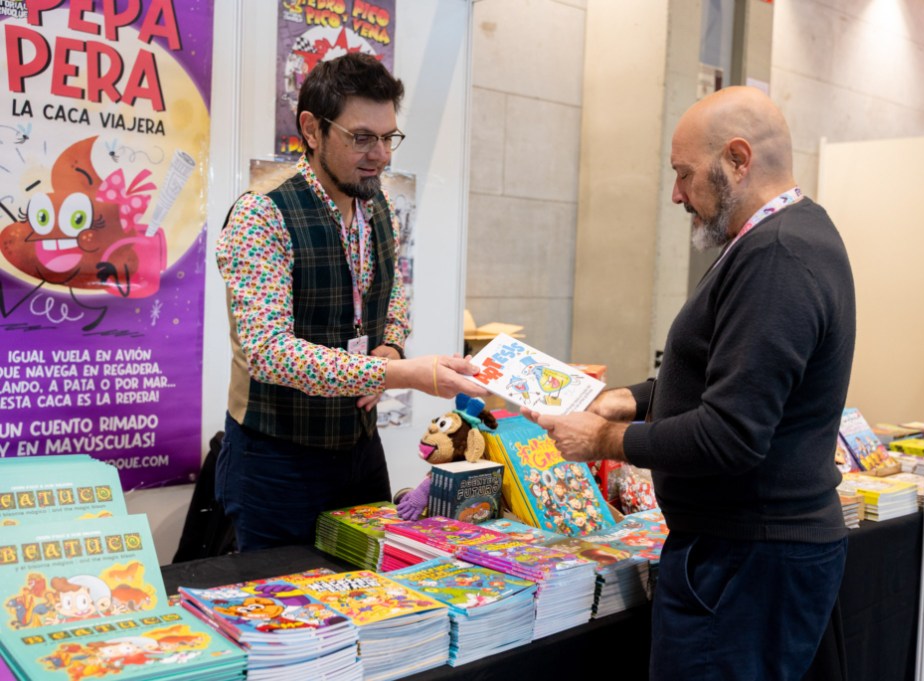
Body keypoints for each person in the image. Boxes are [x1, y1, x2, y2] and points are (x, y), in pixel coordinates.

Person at [523, 86, 856, 680]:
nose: (677, 194)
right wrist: (631, 399)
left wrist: (602, 441)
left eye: (684, 174)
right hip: (748, 553)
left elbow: (731, 434)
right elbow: (729, 377)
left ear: (737, 159)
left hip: (745, 561)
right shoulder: (783, 235)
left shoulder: (777, 256)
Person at [216, 53, 486, 552]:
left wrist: (390, 347)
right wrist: (398, 374)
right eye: (362, 138)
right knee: (285, 593)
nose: (380, 155)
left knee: (372, 586)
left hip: (361, 449)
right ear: (312, 130)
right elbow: (269, 353)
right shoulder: (262, 214)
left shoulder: (377, 205)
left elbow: (394, 296)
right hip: (276, 461)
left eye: (388, 138)